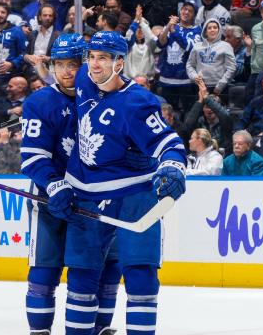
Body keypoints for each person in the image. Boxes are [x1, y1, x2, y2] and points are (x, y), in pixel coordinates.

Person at [53, 31, 186, 335]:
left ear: (119, 63)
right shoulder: (85, 79)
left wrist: (171, 165)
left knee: (141, 277)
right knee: (81, 278)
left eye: (102, 58)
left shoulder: (137, 102)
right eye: (91, 57)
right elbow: (59, 85)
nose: (94, 64)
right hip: (85, 194)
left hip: (132, 195)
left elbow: (168, 141)